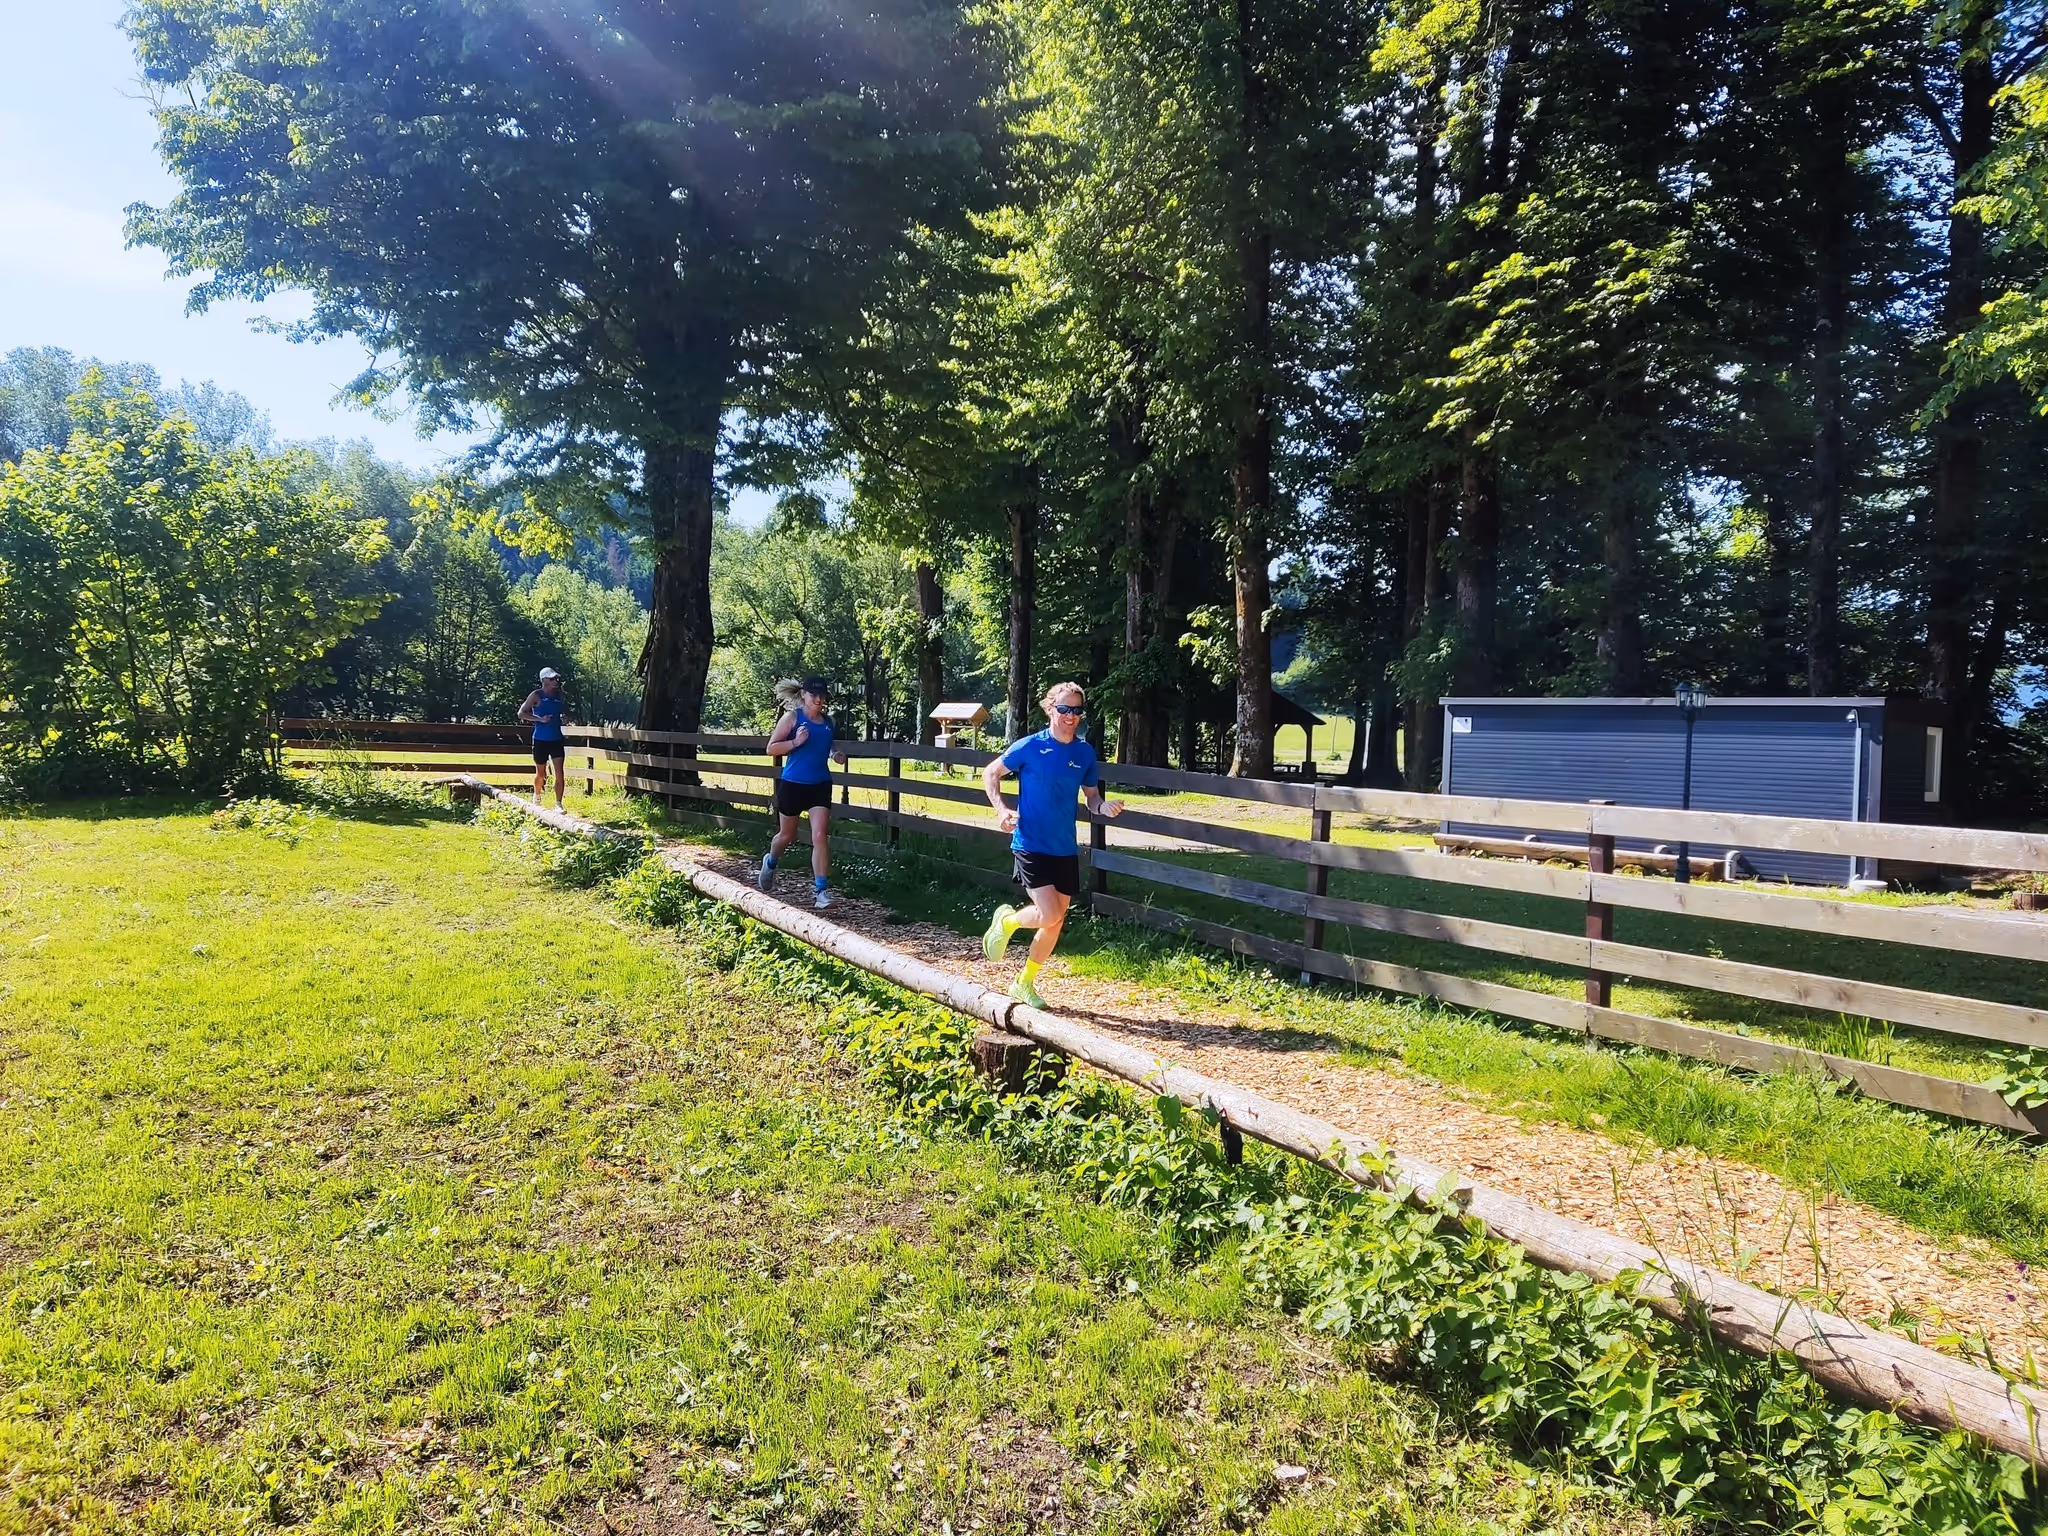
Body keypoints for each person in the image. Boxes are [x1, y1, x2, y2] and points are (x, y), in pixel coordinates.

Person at [980, 682, 1124, 1007]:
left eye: (1076, 710)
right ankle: (1007, 922)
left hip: (1064, 847)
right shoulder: (1030, 746)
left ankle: (1024, 983)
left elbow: (1092, 797)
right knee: (1049, 914)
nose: (1070, 716)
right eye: (1064, 709)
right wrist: (1001, 810)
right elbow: (990, 773)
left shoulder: (1084, 753)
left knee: (1056, 921)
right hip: (1030, 842)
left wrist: (1103, 807)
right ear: (1050, 709)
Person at [756, 676, 849, 909]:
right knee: (786, 836)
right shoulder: (792, 718)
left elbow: (826, 744)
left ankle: (821, 892)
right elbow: (771, 748)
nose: (818, 699)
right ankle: (771, 861)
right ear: (804, 695)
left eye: (822, 695)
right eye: (813, 695)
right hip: (793, 784)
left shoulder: (829, 722)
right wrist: (796, 742)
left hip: (820, 784)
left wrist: (835, 754)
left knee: (819, 836)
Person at [518, 667, 568, 810]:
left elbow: (561, 713)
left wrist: (564, 719)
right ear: (544, 680)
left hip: (556, 739)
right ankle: (537, 795)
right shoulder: (536, 695)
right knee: (541, 773)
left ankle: (558, 804)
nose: (556, 681)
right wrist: (540, 719)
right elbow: (521, 713)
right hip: (540, 740)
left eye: (556, 679)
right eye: (552, 679)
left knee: (560, 773)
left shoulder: (559, 696)